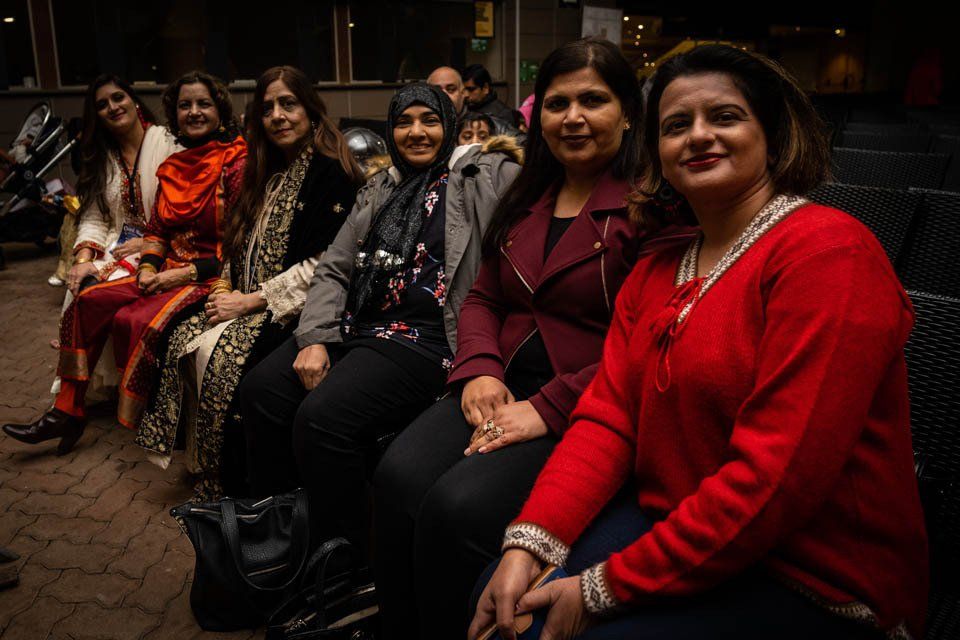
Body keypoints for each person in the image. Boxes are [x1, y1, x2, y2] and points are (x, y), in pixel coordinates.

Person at [469, 44, 928, 640]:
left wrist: (600, 588)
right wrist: (530, 542)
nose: (698, 137)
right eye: (676, 125)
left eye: (726, 117)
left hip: (813, 571)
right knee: (497, 594)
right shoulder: (661, 265)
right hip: (674, 518)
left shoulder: (828, 254)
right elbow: (609, 419)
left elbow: (774, 486)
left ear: (772, 133)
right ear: (656, 151)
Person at [372, 38, 690, 640]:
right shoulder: (527, 195)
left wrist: (545, 410)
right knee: (396, 477)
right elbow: (484, 297)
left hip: (583, 406)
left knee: (455, 510)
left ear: (628, 113)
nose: (572, 117)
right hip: (499, 384)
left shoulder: (656, 209)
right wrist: (479, 369)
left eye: (593, 100)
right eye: (556, 102)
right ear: (536, 115)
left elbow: (648, 345)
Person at [240, 83, 522, 554]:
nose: (416, 132)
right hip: (359, 326)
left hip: (427, 338)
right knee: (260, 391)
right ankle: (282, 534)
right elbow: (334, 267)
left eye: (429, 120)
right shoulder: (379, 186)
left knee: (321, 417)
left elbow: (532, 187)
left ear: (449, 125)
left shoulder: (480, 175)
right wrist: (314, 336)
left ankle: (349, 556)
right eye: (403, 122)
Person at [136, 66, 363, 499]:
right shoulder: (262, 171)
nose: (277, 116)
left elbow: (326, 264)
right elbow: (234, 247)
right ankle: (206, 463)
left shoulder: (331, 174)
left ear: (311, 110)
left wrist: (249, 302)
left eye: (288, 104)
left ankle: (233, 480)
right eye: (267, 108)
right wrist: (224, 289)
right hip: (244, 296)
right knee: (179, 335)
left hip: (299, 308)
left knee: (220, 357)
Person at [3, 71, 246, 453]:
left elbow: (239, 245)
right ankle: (66, 412)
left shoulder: (233, 161)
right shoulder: (173, 163)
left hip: (205, 274)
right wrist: (148, 266)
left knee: (130, 319)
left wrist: (170, 269)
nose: (194, 112)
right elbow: (155, 227)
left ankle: (155, 422)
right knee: (87, 300)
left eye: (204, 104)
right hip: (159, 262)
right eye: (185, 105)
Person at [49, 75, 181, 388]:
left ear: (134, 101)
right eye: (102, 105)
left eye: (118, 97)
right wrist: (82, 258)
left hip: (163, 248)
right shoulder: (102, 157)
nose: (112, 107)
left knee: (99, 292)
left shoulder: (169, 143)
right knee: (83, 281)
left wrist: (148, 242)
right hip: (116, 246)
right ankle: (83, 391)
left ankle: (81, 401)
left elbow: (185, 212)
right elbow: (95, 215)